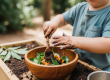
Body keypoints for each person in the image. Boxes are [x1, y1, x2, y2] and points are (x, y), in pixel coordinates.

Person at [43, 0, 110, 71]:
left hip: (100, 71)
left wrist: (76, 41)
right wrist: (54, 22)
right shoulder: (80, 8)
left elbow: (108, 44)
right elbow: (62, 18)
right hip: (78, 65)